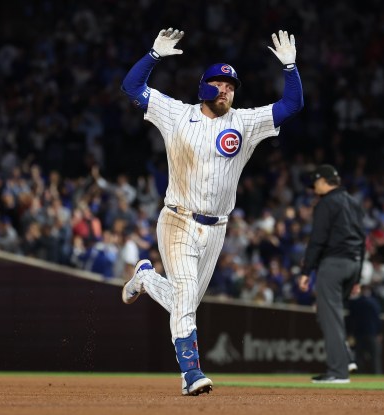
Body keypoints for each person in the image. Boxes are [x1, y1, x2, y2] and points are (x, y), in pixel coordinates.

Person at [120, 27, 303, 396]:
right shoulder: (177, 114)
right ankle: (191, 374)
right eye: (219, 84)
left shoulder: (245, 123)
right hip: (177, 218)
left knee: (181, 301)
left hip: (217, 228)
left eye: (231, 86)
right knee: (186, 296)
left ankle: (145, 278)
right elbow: (131, 88)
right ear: (203, 86)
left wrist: (290, 67)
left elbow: (291, 106)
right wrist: (153, 56)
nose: (226, 90)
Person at [299, 164, 366, 383]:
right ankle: (345, 358)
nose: (314, 188)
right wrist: (357, 276)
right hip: (353, 263)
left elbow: (317, 240)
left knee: (330, 317)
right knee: (329, 314)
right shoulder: (353, 202)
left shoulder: (326, 203)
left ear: (323, 181)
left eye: (315, 183)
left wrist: (306, 271)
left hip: (334, 264)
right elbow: (363, 239)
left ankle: (338, 372)